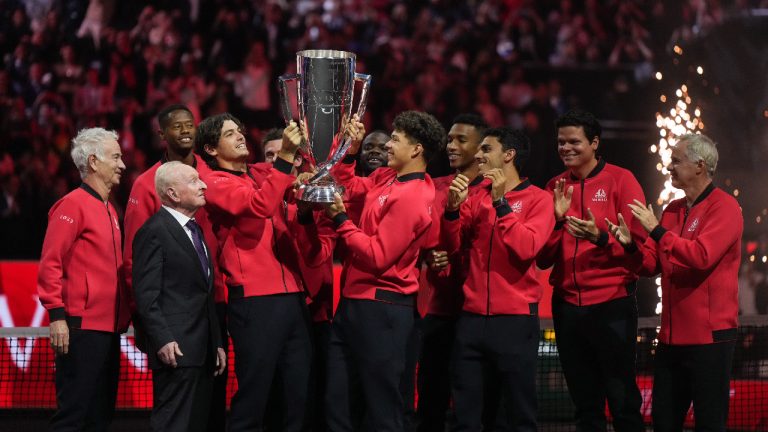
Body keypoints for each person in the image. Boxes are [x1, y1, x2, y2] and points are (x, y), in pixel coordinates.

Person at [606, 134, 742, 431]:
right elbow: (651, 264)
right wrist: (628, 247)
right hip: (670, 340)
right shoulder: (672, 209)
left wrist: (656, 231)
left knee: (709, 424)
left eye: (676, 161)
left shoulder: (725, 207)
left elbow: (701, 256)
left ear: (700, 166)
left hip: (709, 341)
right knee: (664, 422)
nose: (669, 167)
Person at [324, 111, 444, 432]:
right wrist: (350, 152)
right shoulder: (388, 178)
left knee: (382, 411)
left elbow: (377, 257)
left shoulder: (414, 196)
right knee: (338, 404)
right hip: (353, 303)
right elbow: (348, 185)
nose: (388, 145)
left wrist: (341, 220)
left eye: (395, 139)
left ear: (416, 149)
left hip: (383, 308)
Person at [196, 113, 309, 432]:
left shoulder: (257, 175)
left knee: (297, 399)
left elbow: (289, 185)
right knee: (253, 399)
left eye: (240, 130)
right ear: (211, 149)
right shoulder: (215, 183)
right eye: (229, 134)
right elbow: (260, 205)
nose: (240, 136)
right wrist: (285, 154)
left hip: (293, 296)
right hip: (256, 302)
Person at [537, 109, 646, 431]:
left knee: (623, 402)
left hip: (612, 304)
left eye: (574, 142)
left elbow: (641, 252)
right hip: (567, 307)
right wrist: (558, 222)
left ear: (594, 143)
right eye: (561, 142)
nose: (565, 148)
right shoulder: (554, 186)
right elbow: (543, 259)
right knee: (585, 405)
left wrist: (600, 238)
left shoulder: (621, 180)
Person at [122, 104, 228, 431]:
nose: (202, 186)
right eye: (176, 126)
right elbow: (140, 276)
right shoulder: (147, 190)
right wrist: (154, 331)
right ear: (162, 134)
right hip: (175, 331)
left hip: (208, 325)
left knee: (204, 416)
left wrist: (215, 339)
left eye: (189, 124)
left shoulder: (210, 180)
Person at [443, 127, 554, 431]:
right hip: (471, 319)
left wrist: (501, 204)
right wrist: (452, 211)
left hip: (514, 323)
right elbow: (453, 247)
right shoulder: (475, 196)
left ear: (509, 155)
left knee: (518, 416)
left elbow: (527, 248)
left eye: (486, 149)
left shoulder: (539, 200)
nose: (478, 155)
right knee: (466, 418)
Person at [37, 127, 131, 431]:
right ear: (93, 161)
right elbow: (50, 262)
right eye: (115, 157)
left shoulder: (110, 209)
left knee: (99, 418)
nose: (122, 165)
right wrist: (57, 316)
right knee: (73, 417)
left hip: (109, 330)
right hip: (81, 329)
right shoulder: (72, 204)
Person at [417, 113, 488, 432]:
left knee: (474, 407)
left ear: (481, 147)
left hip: (479, 314)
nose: (451, 146)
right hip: (439, 311)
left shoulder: (495, 190)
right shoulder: (433, 187)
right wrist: (428, 255)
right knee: (430, 401)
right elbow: (414, 235)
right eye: (449, 139)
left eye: (461, 140)